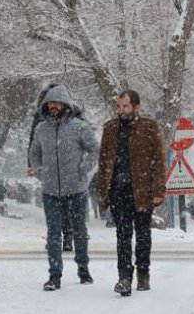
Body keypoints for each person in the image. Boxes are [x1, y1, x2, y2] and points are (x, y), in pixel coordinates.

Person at [29, 84, 99, 291]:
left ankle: (83, 269)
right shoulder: (42, 129)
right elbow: (34, 153)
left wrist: (83, 168)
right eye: (50, 103)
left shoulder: (79, 127)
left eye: (57, 102)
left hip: (76, 190)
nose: (53, 106)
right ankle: (55, 275)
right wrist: (40, 171)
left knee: (79, 232)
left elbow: (95, 150)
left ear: (65, 104)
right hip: (50, 191)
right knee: (53, 233)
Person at [96, 90, 166, 296]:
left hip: (143, 190)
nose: (121, 110)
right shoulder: (110, 129)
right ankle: (124, 277)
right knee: (123, 235)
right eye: (119, 106)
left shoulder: (149, 128)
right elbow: (103, 161)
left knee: (143, 235)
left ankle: (143, 273)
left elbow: (159, 161)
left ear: (136, 107)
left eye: (125, 106)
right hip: (119, 191)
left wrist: (159, 190)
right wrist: (103, 190)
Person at [28, 83, 80, 252]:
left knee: (67, 203)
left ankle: (68, 234)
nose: (52, 106)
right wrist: (32, 163)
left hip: (69, 166)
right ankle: (55, 236)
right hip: (49, 166)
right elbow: (34, 141)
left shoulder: (75, 115)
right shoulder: (41, 117)